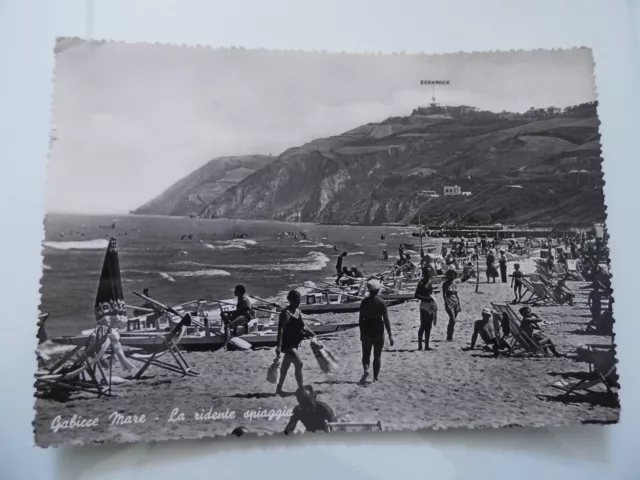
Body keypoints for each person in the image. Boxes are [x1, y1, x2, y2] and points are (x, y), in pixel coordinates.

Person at [275, 290, 317, 395]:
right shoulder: (285, 313)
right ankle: (301, 389)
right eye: (297, 300)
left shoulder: (298, 311)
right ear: (291, 300)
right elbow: (281, 329)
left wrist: (312, 334)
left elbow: (303, 325)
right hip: (287, 344)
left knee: (285, 367)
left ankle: (278, 389)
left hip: (295, 342)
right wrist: (279, 346)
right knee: (299, 363)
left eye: (299, 300)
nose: (299, 302)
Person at [358, 280, 394, 384]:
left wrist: (361, 332)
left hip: (367, 329)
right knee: (377, 355)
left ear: (369, 290)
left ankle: (366, 370)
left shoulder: (364, 302)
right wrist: (390, 335)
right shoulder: (382, 302)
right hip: (378, 330)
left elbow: (361, 320)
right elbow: (386, 320)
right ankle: (375, 378)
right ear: (378, 290)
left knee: (366, 354)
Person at [414, 270, 437, 350]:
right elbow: (416, 295)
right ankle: (420, 346)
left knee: (429, 326)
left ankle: (426, 345)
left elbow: (430, 293)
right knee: (423, 326)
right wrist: (426, 299)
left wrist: (432, 301)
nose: (428, 275)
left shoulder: (429, 283)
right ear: (423, 275)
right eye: (427, 274)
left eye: (429, 273)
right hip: (424, 305)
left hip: (430, 305)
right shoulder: (421, 283)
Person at [442, 269, 461, 341]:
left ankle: (450, 337)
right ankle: (448, 336)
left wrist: (459, 304)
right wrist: (446, 303)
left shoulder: (454, 284)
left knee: (452, 320)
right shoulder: (445, 284)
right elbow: (444, 295)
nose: (452, 276)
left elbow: (456, 294)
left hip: (455, 302)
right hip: (449, 302)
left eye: (453, 275)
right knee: (453, 319)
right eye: (450, 275)